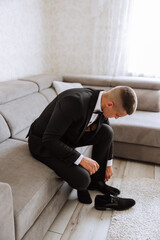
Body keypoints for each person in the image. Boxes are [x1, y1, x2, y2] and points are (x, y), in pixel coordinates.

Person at [27, 86, 137, 209]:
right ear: (110, 104)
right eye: (117, 115)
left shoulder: (102, 100)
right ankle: (86, 184)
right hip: (43, 143)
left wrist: (108, 164)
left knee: (107, 131)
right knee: (83, 179)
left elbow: (106, 128)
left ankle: (96, 182)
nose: (116, 118)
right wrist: (81, 159)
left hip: (68, 136)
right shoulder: (74, 102)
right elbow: (50, 140)